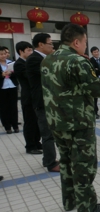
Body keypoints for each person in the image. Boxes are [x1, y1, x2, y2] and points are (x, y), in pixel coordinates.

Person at [41, 23, 100, 212]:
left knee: (65, 161)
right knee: (84, 164)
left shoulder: (48, 60)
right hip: (78, 122)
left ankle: (69, 201)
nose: (85, 46)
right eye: (85, 42)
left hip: (56, 122)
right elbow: (95, 88)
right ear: (76, 41)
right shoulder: (78, 61)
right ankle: (87, 206)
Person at [26, 33, 60, 173]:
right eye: (50, 43)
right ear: (41, 44)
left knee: (52, 132)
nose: (52, 46)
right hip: (42, 102)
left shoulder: (44, 58)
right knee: (47, 134)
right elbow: (51, 74)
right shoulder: (34, 59)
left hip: (50, 101)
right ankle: (50, 163)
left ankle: (48, 158)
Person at [14, 42, 42, 154]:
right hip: (28, 97)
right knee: (30, 122)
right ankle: (30, 146)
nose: (31, 52)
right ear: (21, 51)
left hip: (36, 96)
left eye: (31, 50)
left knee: (37, 121)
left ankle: (37, 142)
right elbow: (29, 76)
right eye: (28, 50)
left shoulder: (30, 62)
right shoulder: (19, 64)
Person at [0, 46, 19, 134]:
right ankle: (7, 126)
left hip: (12, 86)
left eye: (4, 54)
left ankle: (15, 125)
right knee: (4, 108)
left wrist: (10, 73)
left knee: (13, 107)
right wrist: (1, 75)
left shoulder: (11, 62)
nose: (3, 56)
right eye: (1, 54)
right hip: (2, 88)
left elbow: (17, 74)